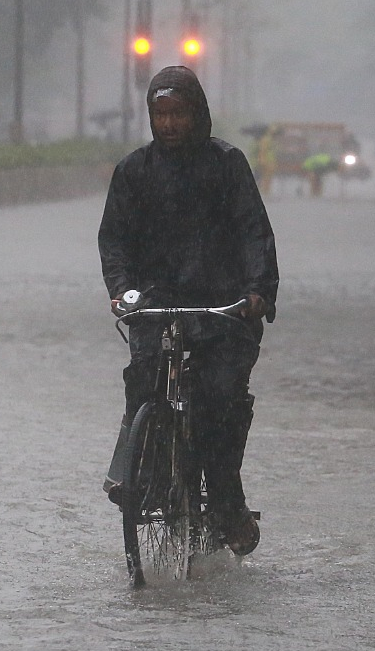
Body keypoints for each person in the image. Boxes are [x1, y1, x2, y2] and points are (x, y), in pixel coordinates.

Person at [98, 65, 279, 556]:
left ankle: (226, 502)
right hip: (156, 304)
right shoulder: (133, 172)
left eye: (179, 114)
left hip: (222, 308)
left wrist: (257, 291)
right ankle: (138, 475)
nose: (170, 124)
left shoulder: (227, 165)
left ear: (197, 114)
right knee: (143, 381)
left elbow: (253, 233)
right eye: (161, 115)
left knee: (220, 401)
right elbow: (114, 240)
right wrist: (121, 290)